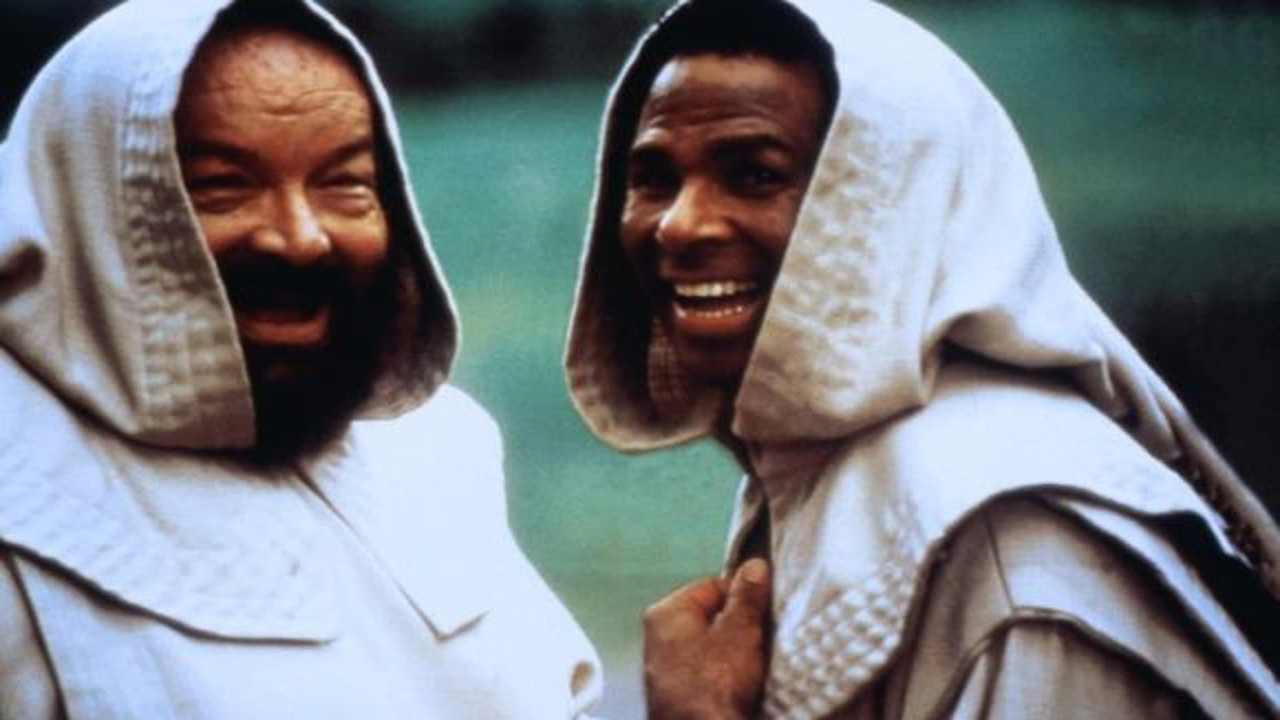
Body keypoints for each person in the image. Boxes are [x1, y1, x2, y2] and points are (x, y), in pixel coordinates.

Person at [565, 0, 1280, 717]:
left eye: (754, 174)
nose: (680, 225)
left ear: (887, 204)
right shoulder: (837, 460)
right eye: (654, 178)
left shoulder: (1013, 548)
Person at [0, 0, 606, 716]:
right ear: (82, 202)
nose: (299, 237)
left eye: (344, 183)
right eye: (223, 185)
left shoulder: (438, 447)